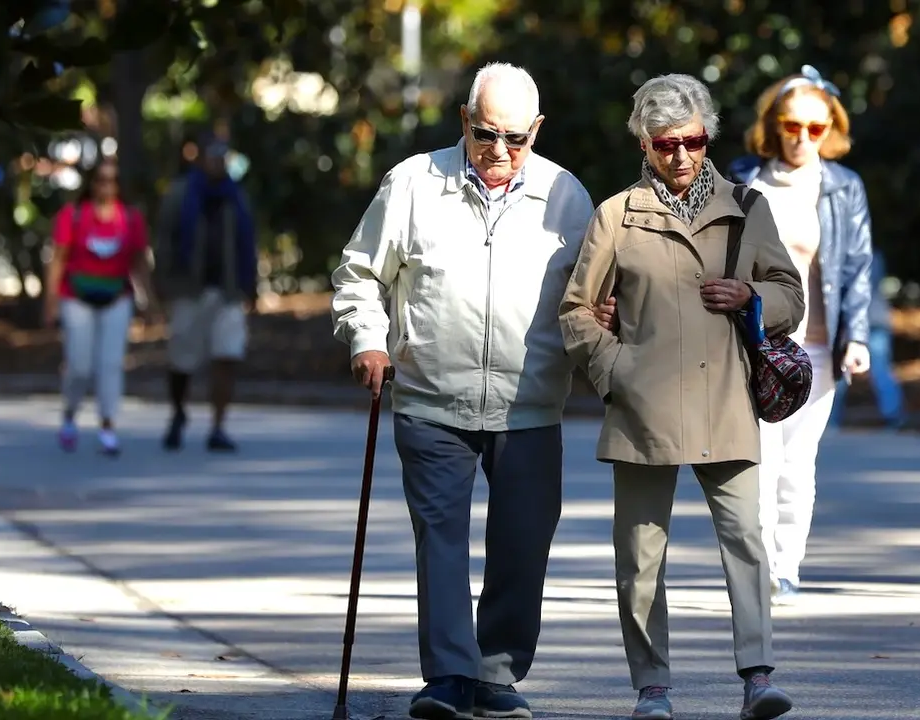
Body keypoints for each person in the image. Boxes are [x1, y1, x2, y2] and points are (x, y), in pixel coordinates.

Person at [331, 62, 594, 719]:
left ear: (536, 130)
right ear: (463, 121)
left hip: (529, 403)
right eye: (484, 133)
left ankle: (497, 674)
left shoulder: (567, 196)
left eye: (515, 137)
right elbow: (360, 272)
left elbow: (593, 295)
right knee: (441, 538)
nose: (499, 151)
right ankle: (449, 676)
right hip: (429, 396)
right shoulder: (414, 184)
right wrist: (367, 337)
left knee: (523, 540)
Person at [560, 72, 803, 720]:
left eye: (692, 141)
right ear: (645, 144)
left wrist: (754, 296)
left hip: (727, 399)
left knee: (747, 541)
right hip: (644, 410)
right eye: (666, 144)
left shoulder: (748, 207)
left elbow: (790, 292)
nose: (681, 156)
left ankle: (757, 676)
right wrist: (618, 371)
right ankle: (653, 687)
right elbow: (577, 313)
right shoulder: (615, 215)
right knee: (639, 559)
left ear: (707, 138)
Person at [725, 65, 873, 605]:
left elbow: (856, 268)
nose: (803, 138)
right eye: (792, 125)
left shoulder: (843, 187)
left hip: (818, 345)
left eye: (817, 128)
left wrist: (855, 337)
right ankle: (757, 566)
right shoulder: (744, 180)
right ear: (773, 124)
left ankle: (787, 566)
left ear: (831, 129)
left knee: (797, 461)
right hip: (754, 342)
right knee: (757, 460)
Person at [42, 157, 155, 455]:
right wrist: (50, 302)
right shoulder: (74, 215)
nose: (107, 186)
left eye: (112, 180)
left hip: (116, 297)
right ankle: (70, 414)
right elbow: (58, 259)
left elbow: (140, 262)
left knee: (110, 364)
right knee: (79, 365)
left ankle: (107, 425)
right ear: (91, 183)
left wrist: (149, 300)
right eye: (101, 180)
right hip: (77, 297)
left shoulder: (130, 218)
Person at [153, 133, 257, 452]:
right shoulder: (182, 194)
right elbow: (164, 240)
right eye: (212, 156)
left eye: (222, 157)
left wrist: (250, 285)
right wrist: (165, 282)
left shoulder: (235, 197)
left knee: (227, 355)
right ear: (200, 159)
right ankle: (178, 412)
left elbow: (247, 243)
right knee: (182, 359)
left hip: (227, 292)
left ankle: (218, 426)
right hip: (190, 290)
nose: (217, 163)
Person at [828, 248, 906, 432]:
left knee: (840, 369)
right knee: (881, 370)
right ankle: (894, 415)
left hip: (853, 318)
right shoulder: (875, 254)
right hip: (876, 316)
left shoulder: (842, 251)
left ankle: (830, 419)